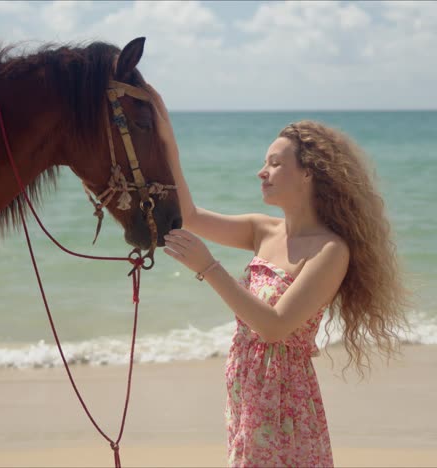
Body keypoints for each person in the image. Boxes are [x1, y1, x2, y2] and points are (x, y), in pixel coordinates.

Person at [144, 84, 409, 467]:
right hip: (247, 389)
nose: (261, 172)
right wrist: (168, 143)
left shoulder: (331, 250)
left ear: (309, 174)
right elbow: (190, 215)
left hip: (285, 400)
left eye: (275, 163)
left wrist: (208, 268)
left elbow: (275, 327)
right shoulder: (262, 230)